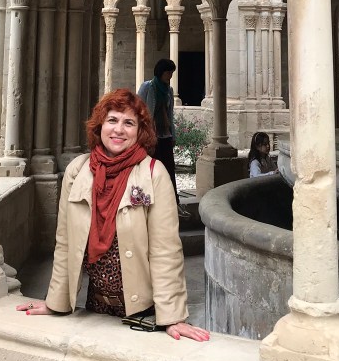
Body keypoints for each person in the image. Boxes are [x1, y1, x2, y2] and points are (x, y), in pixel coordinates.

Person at [16, 88, 208, 342]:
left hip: (142, 313)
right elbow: (65, 243)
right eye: (112, 120)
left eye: (129, 123)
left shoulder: (153, 173)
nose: (119, 129)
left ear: (140, 131)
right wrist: (56, 301)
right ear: (100, 126)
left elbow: (166, 250)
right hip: (95, 306)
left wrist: (172, 316)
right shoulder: (78, 171)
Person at [137, 59, 178, 198]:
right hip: (151, 135)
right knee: (151, 167)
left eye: (171, 73)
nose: (170, 76)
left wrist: (173, 135)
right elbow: (138, 109)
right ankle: (150, 198)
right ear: (161, 72)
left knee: (168, 168)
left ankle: (171, 200)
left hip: (165, 134)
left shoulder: (169, 91)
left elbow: (170, 114)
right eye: (168, 73)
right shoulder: (147, 87)